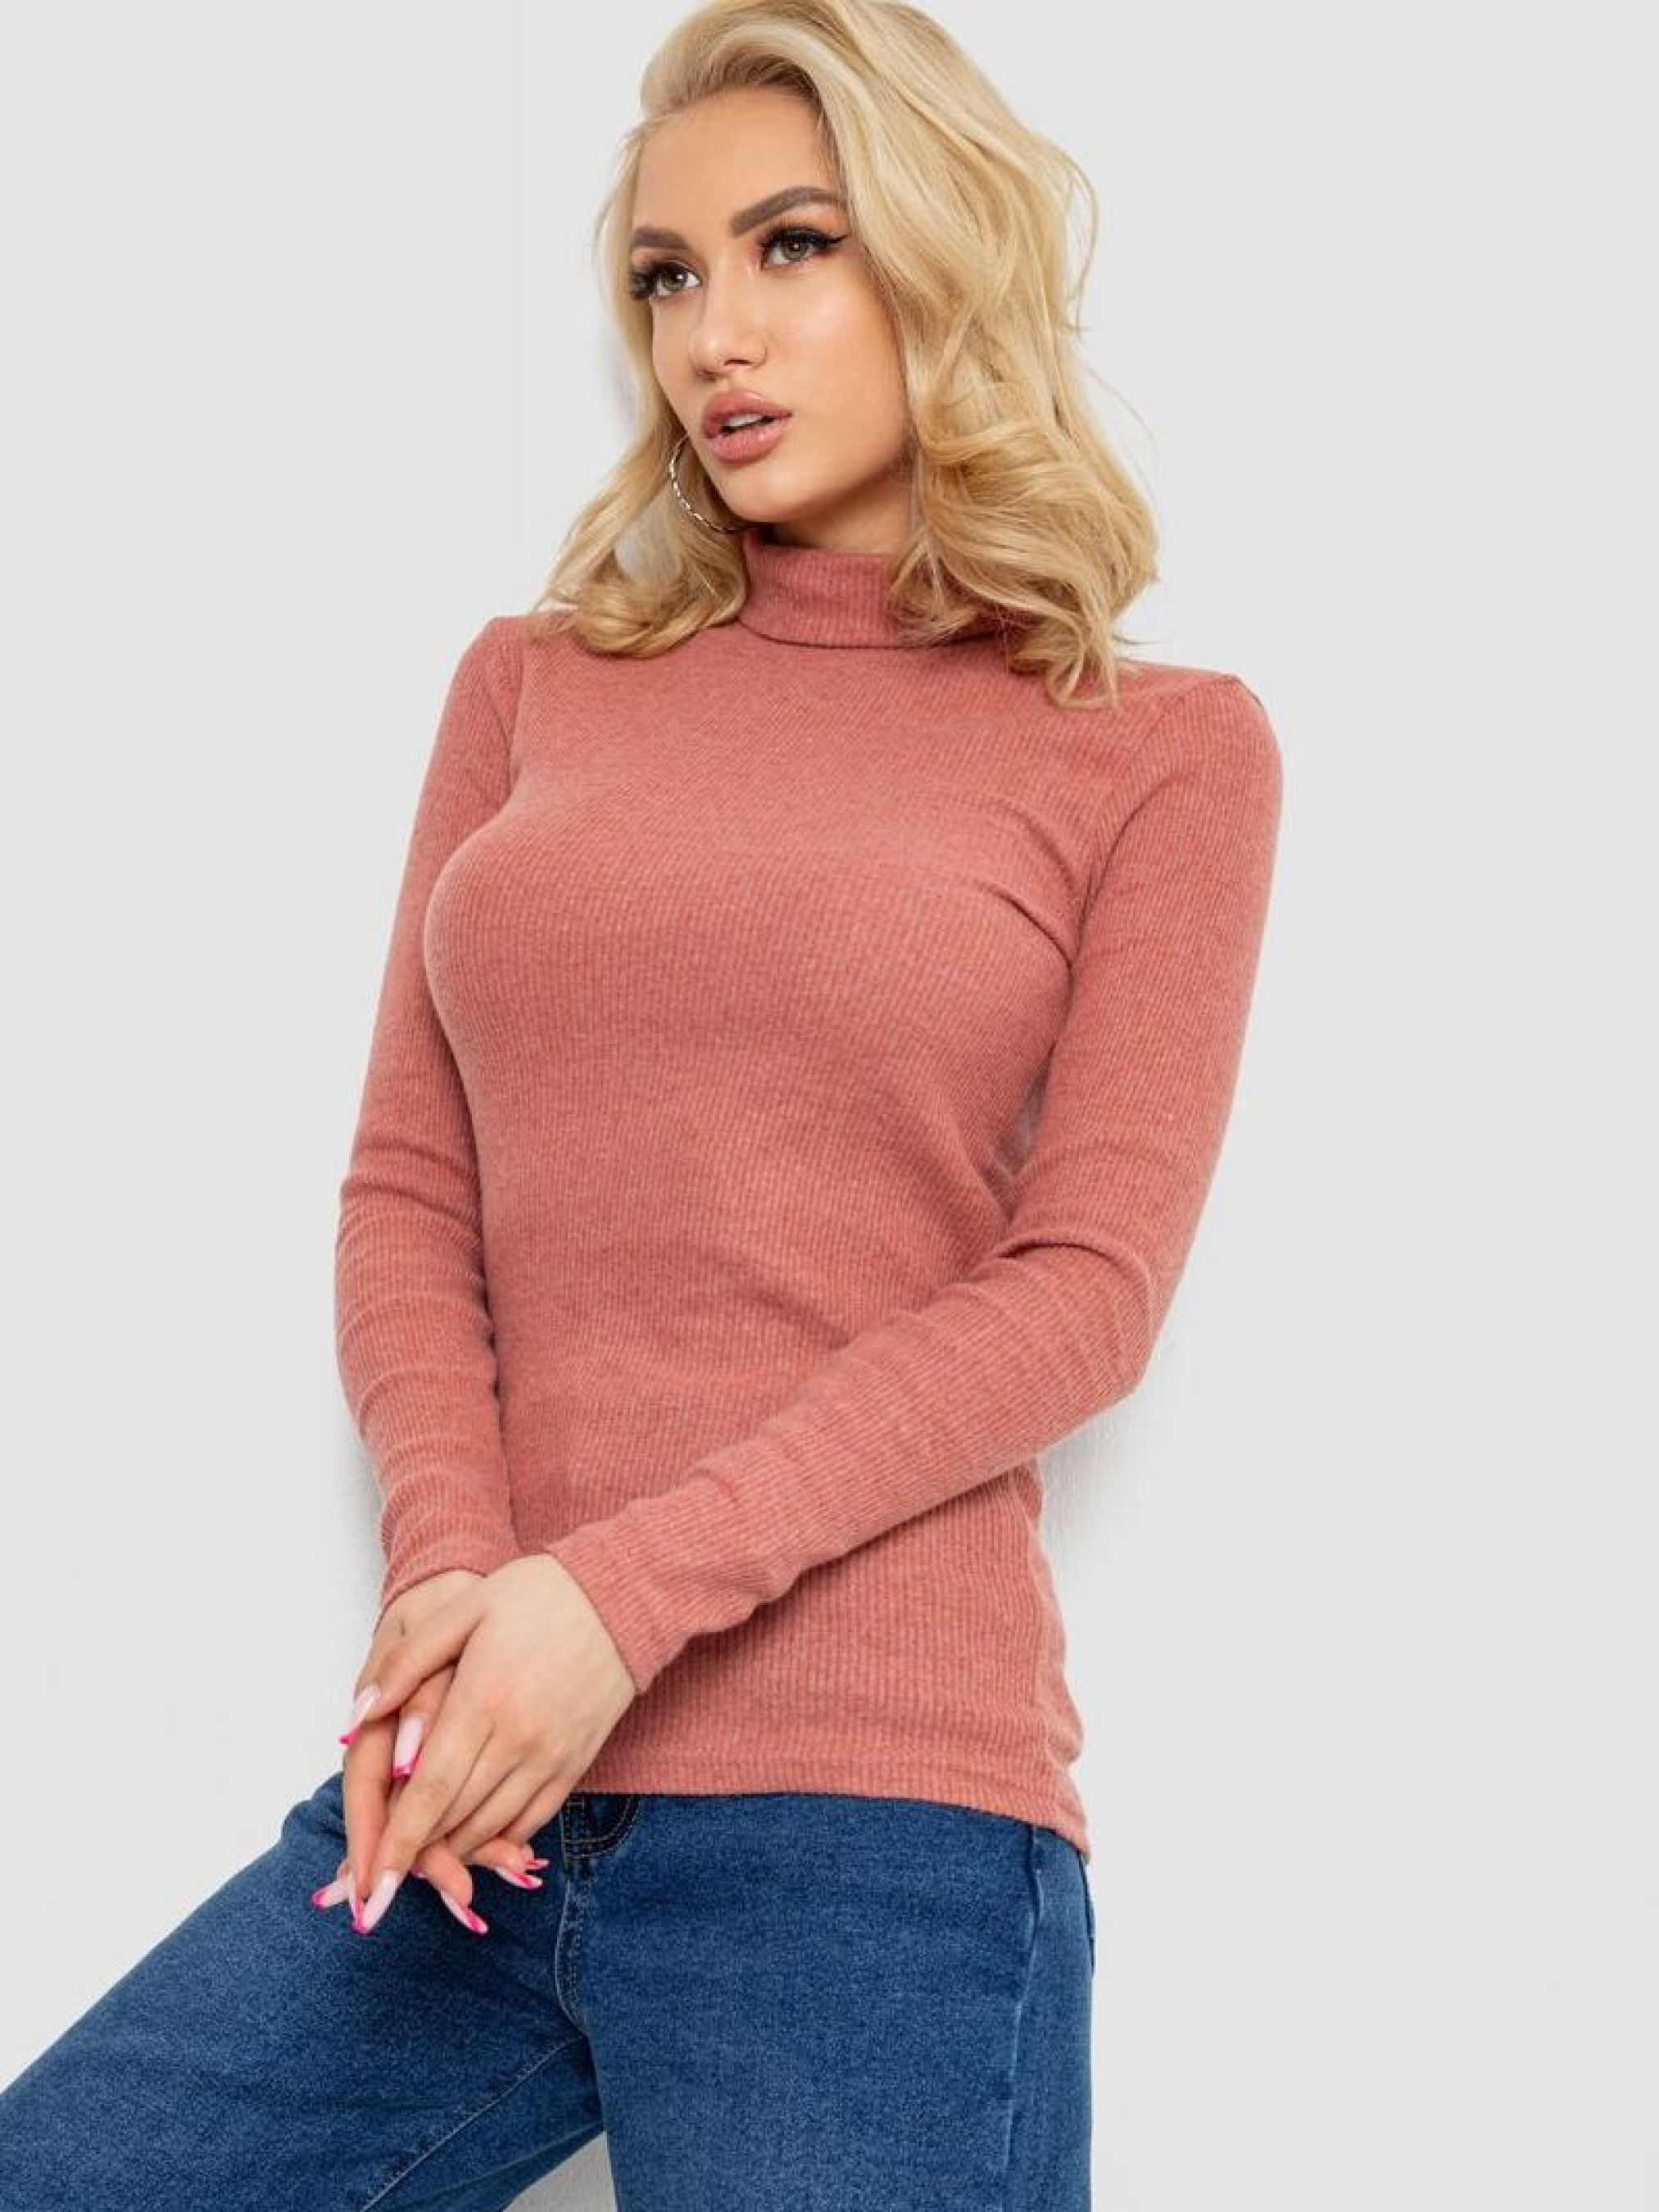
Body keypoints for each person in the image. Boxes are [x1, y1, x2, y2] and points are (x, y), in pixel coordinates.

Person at [0, 0, 1283, 2203]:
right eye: (665, 276)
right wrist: (459, 1583)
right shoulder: (532, 687)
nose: (713, 335)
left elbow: (1086, 1287)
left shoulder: (1156, 744)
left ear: (944, 256)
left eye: (791, 245)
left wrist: (613, 1600)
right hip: (473, 1789)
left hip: (871, 1828)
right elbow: (409, 1193)